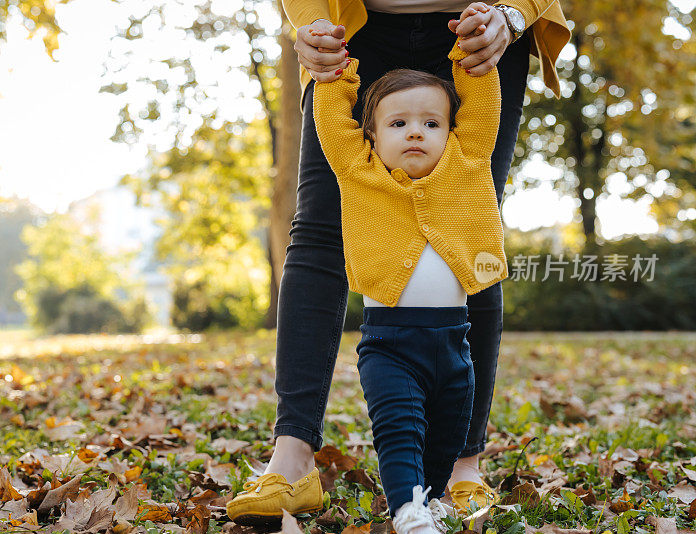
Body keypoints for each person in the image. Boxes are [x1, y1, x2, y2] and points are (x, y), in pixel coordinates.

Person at [226, 0, 571, 525]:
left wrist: (515, 13)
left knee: (472, 223)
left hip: (481, 30)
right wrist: (309, 24)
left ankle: (463, 465)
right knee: (319, 230)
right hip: (354, 31)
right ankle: (292, 458)